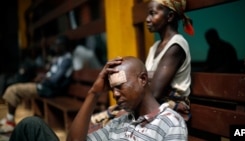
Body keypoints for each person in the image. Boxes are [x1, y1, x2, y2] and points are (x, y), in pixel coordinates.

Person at [8, 56, 188, 141]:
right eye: (112, 89)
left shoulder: (170, 123)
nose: (115, 94)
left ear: (142, 79)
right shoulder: (122, 120)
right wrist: (93, 93)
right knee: (31, 126)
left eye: (119, 86)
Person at [90, 0, 194, 128]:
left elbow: (155, 91)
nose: (147, 19)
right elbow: (145, 81)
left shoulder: (176, 45)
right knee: (97, 122)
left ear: (170, 16)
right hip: (151, 101)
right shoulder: (155, 47)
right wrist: (150, 77)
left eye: (152, 14)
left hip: (170, 105)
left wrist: (148, 77)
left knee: (111, 123)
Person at [0, 35, 73, 133]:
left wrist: (43, 78)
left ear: (64, 46)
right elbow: (51, 74)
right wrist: (43, 76)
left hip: (49, 89)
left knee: (13, 90)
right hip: (44, 86)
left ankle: (10, 122)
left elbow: (55, 80)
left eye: (58, 45)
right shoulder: (60, 58)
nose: (56, 47)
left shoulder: (66, 60)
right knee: (13, 88)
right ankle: (9, 117)